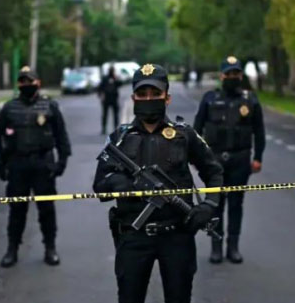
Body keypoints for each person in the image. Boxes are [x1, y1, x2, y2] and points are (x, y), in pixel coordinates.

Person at [93, 63, 223, 303]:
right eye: (142, 94)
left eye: (155, 93)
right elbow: (100, 185)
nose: (148, 98)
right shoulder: (120, 138)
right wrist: (124, 185)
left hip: (176, 235)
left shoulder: (184, 134)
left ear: (167, 97)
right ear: (133, 97)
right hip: (133, 235)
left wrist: (209, 205)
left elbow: (214, 172)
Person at [0, 66, 71, 268]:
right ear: (18, 84)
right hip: (17, 165)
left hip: (43, 164)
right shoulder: (9, 108)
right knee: (17, 210)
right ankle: (12, 249)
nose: (27, 85)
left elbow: (61, 136)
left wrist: (62, 161)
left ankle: (50, 248)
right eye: (23, 81)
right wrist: (0, 165)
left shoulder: (50, 106)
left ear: (38, 83)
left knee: (46, 209)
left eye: (30, 81)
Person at [194, 55, 266, 264]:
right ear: (222, 75)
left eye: (236, 73)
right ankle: (216, 246)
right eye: (229, 73)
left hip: (240, 160)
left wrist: (258, 157)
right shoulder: (209, 98)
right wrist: (196, 157)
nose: (232, 77)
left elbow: (259, 132)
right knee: (216, 205)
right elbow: (196, 131)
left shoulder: (250, 100)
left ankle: (233, 247)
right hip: (214, 161)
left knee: (236, 204)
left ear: (241, 75)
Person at [99, 66, 121, 135]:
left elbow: (120, 84)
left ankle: (116, 128)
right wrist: (101, 95)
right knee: (105, 114)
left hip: (114, 98)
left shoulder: (115, 78)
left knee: (115, 114)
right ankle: (104, 128)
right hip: (106, 99)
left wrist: (116, 78)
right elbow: (100, 87)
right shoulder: (105, 78)